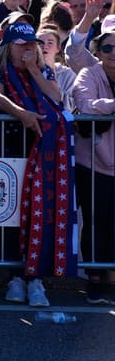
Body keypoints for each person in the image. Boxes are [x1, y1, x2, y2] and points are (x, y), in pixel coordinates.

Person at [0, 21, 74, 308]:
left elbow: (57, 98)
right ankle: (15, 277)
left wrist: (35, 69)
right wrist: (20, 112)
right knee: (12, 215)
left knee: (40, 212)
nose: (28, 49)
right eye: (22, 45)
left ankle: (36, 279)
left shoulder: (43, 68)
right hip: (10, 148)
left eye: (31, 45)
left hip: (43, 151)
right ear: (9, 46)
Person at [71, 17, 115, 304]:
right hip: (95, 162)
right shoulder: (88, 74)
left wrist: (107, 107)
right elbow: (86, 105)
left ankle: (110, 276)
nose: (113, 52)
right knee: (97, 222)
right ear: (98, 51)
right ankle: (96, 280)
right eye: (108, 47)